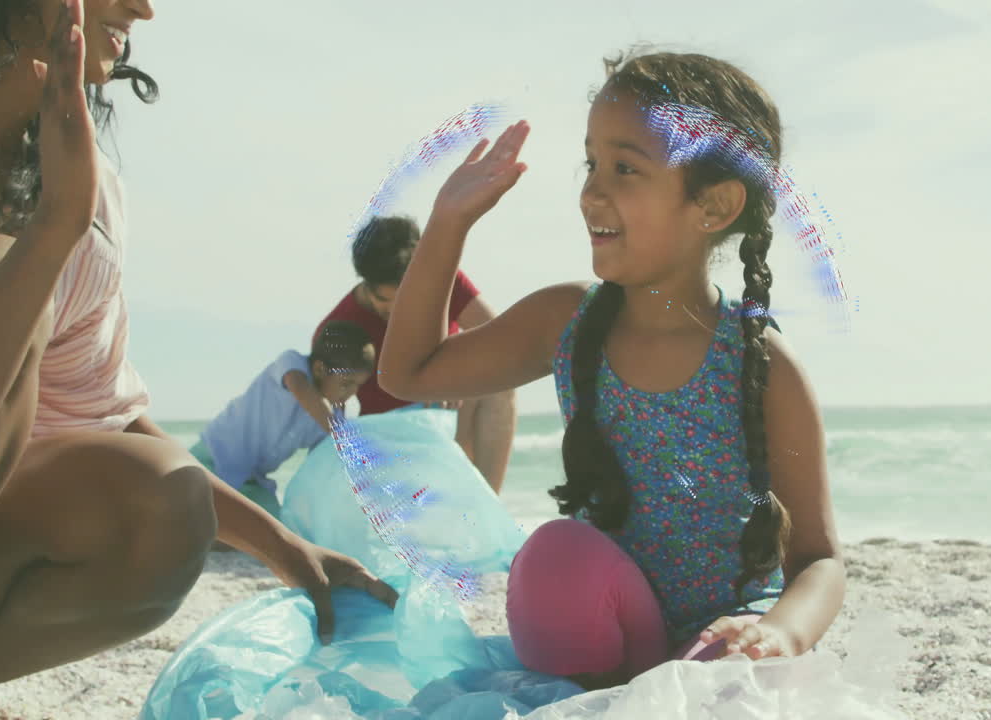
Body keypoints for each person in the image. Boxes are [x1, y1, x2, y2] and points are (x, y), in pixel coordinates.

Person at [0, 3, 393, 716]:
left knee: (166, 502)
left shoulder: (87, 198)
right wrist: (50, 231)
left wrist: (284, 548)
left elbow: (108, 422)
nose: (143, 7)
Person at [378, 49, 845, 690]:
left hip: (720, 647)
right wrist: (448, 224)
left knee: (718, 679)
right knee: (553, 555)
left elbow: (819, 560)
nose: (592, 190)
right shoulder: (566, 322)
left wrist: (778, 633)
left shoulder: (760, 366)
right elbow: (410, 373)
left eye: (625, 168)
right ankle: (598, 700)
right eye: (592, 162)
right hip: (610, 632)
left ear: (713, 206)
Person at [315, 214, 516, 494]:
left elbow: (500, 338)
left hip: (450, 418)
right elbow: (326, 405)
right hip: (395, 437)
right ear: (366, 284)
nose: (397, 310)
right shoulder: (339, 326)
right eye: (385, 300)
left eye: (406, 297)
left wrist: (451, 370)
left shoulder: (443, 279)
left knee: (500, 385)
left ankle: (489, 504)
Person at [189, 321, 376, 519]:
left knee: (275, 532)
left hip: (252, 482)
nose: (352, 393)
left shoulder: (332, 419)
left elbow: (319, 465)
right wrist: (344, 440)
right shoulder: (293, 364)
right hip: (211, 459)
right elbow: (301, 389)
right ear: (320, 369)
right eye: (346, 384)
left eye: (358, 386)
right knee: (196, 522)